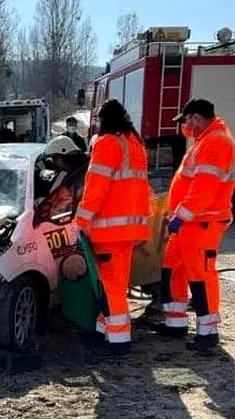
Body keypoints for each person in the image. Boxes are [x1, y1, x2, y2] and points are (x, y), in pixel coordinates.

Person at [152, 98, 235, 352]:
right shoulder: (206, 141)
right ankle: (175, 322)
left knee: (200, 274)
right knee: (172, 268)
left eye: (186, 120)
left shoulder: (216, 143)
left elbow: (203, 190)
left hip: (202, 222)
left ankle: (208, 331)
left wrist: (182, 216)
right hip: (192, 222)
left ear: (197, 118)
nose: (184, 126)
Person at [75, 99, 151, 358]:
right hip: (130, 230)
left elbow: (96, 188)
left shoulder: (108, 144)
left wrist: (81, 221)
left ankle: (117, 340)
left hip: (109, 230)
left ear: (104, 120)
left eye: (97, 119)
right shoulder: (134, 145)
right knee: (117, 283)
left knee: (111, 287)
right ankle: (104, 331)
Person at [35, 136, 88, 221]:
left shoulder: (82, 173)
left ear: (64, 155)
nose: (53, 162)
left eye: (55, 158)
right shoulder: (65, 172)